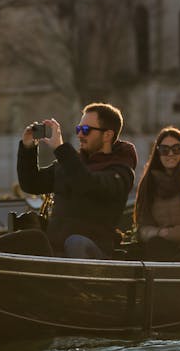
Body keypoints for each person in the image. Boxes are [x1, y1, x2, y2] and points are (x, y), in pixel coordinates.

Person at [17, 103, 138, 259]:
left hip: (93, 253)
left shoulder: (120, 172)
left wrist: (61, 149)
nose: (80, 135)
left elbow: (88, 184)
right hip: (56, 249)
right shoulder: (71, 163)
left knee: (76, 243)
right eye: (78, 129)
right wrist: (28, 148)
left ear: (107, 135)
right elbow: (32, 184)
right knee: (19, 240)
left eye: (86, 130)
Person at [134, 127, 180, 261]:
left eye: (176, 149)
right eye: (164, 150)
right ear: (158, 153)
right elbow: (142, 227)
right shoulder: (149, 183)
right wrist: (160, 234)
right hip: (161, 249)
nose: (170, 154)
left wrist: (167, 233)